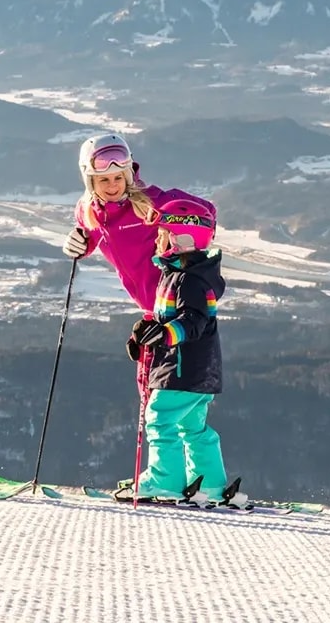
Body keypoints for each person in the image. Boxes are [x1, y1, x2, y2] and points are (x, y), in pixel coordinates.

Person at [122, 199, 242, 506]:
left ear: (180, 239)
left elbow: (193, 322)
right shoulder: (180, 275)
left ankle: (165, 480)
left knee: (160, 418)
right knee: (192, 427)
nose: (158, 240)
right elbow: (168, 318)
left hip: (182, 371)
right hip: (196, 371)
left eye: (162, 234)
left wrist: (164, 333)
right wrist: (146, 333)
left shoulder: (190, 280)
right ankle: (210, 484)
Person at [61, 133, 215, 314]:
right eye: (104, 179)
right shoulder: (87, 211)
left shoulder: (153, 202)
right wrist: (79, 245)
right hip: (151, 308)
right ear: (90, 182)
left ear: (127, 175)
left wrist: (193, 244)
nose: (112, 186)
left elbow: (208, 211)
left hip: (181, 303)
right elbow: (92, 235)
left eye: (118, 178)